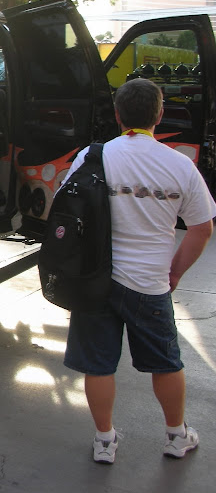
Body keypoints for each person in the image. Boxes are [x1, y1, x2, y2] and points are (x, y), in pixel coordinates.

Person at [63, 78, 216, 464]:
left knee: (98, 366)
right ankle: (176, 436)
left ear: (118, 115)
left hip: (95, 282)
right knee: (166, 363)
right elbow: (202, 228)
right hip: (150, 284)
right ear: (159, 114)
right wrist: (175, 273)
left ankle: (104, 440)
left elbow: (63, 207)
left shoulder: (92, 157)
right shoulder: (180, 165)